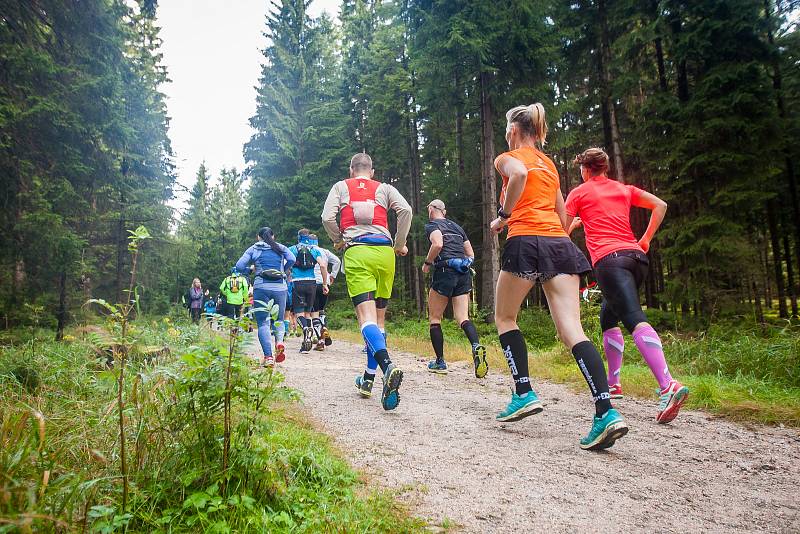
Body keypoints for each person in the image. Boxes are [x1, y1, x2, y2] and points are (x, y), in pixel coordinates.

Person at [490, 103, 628, 450]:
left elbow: (518, 176)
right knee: (572, 331)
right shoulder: (549, 164)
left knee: (505, 317)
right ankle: (606, 411)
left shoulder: (507, 157)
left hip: (525, 240)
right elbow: (564, 215)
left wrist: (504, 216)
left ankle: (523, 391)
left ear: (513, 130)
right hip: (559, 245)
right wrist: (560, 229)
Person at [565, 147, 689, 423]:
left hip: (610, 262)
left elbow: (559, 228)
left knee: (633, 317)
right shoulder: (623, 189)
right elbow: (661, 205)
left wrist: (573, 224)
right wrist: (645, 240)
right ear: (604, 168)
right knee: (608, 316)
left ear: (585, 170)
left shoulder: (579, 192)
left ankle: (668, 385)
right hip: (636, 259)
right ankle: (613, 384)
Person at [322, 152, 412, 411]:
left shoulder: (341, 187)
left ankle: (387, 366)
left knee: (366, 319)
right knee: (379, 321)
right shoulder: (384, 188)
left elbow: (327, 217)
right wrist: (400, 244)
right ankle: (368, 379)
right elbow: (405, 210)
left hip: (358, 251)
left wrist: (338, 240)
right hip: (385, 254)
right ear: (371, 171)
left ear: (352, 170)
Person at [422, 199, 488, 377]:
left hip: (444, 271)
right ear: (444, 211)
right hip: (462, 273)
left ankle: (440, 362)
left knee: (435, 318)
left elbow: (437, 244)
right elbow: (470, 253)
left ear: (431, 209)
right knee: (462, 317)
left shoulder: (432, 225)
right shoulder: (458, 228)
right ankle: (476, 347)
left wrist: (428, 263)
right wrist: (463, 265)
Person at [235, 226, 295, 367]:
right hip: (280, 287)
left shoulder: (254, 248)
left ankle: (268, 357)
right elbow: (292, 259)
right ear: (273, 236)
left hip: (261, 287)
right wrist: (283, 270)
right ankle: (279, 342)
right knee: (278, 320)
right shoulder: (280, 247)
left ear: (258, 237)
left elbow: (239, 266)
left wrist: (250, 269)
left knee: (263, 323)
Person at [288, 229, 330, 353]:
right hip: (312, 283)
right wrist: (324, 283)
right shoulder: (314, 249)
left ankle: (306, 330)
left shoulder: (293, 249)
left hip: (298, 283)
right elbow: (322, 265)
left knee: (299, 314)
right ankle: (307, 340)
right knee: (308, 313)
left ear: (298, 237)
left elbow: (286, 264)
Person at [309, 234, 341, 350]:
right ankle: (324, 327)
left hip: (312, 282)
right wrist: (332, 276)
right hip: (325, 282)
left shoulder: (307, 250)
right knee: (321, 310)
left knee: (314, 313)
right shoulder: (325, 251)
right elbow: (337, 261)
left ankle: (321, 341)